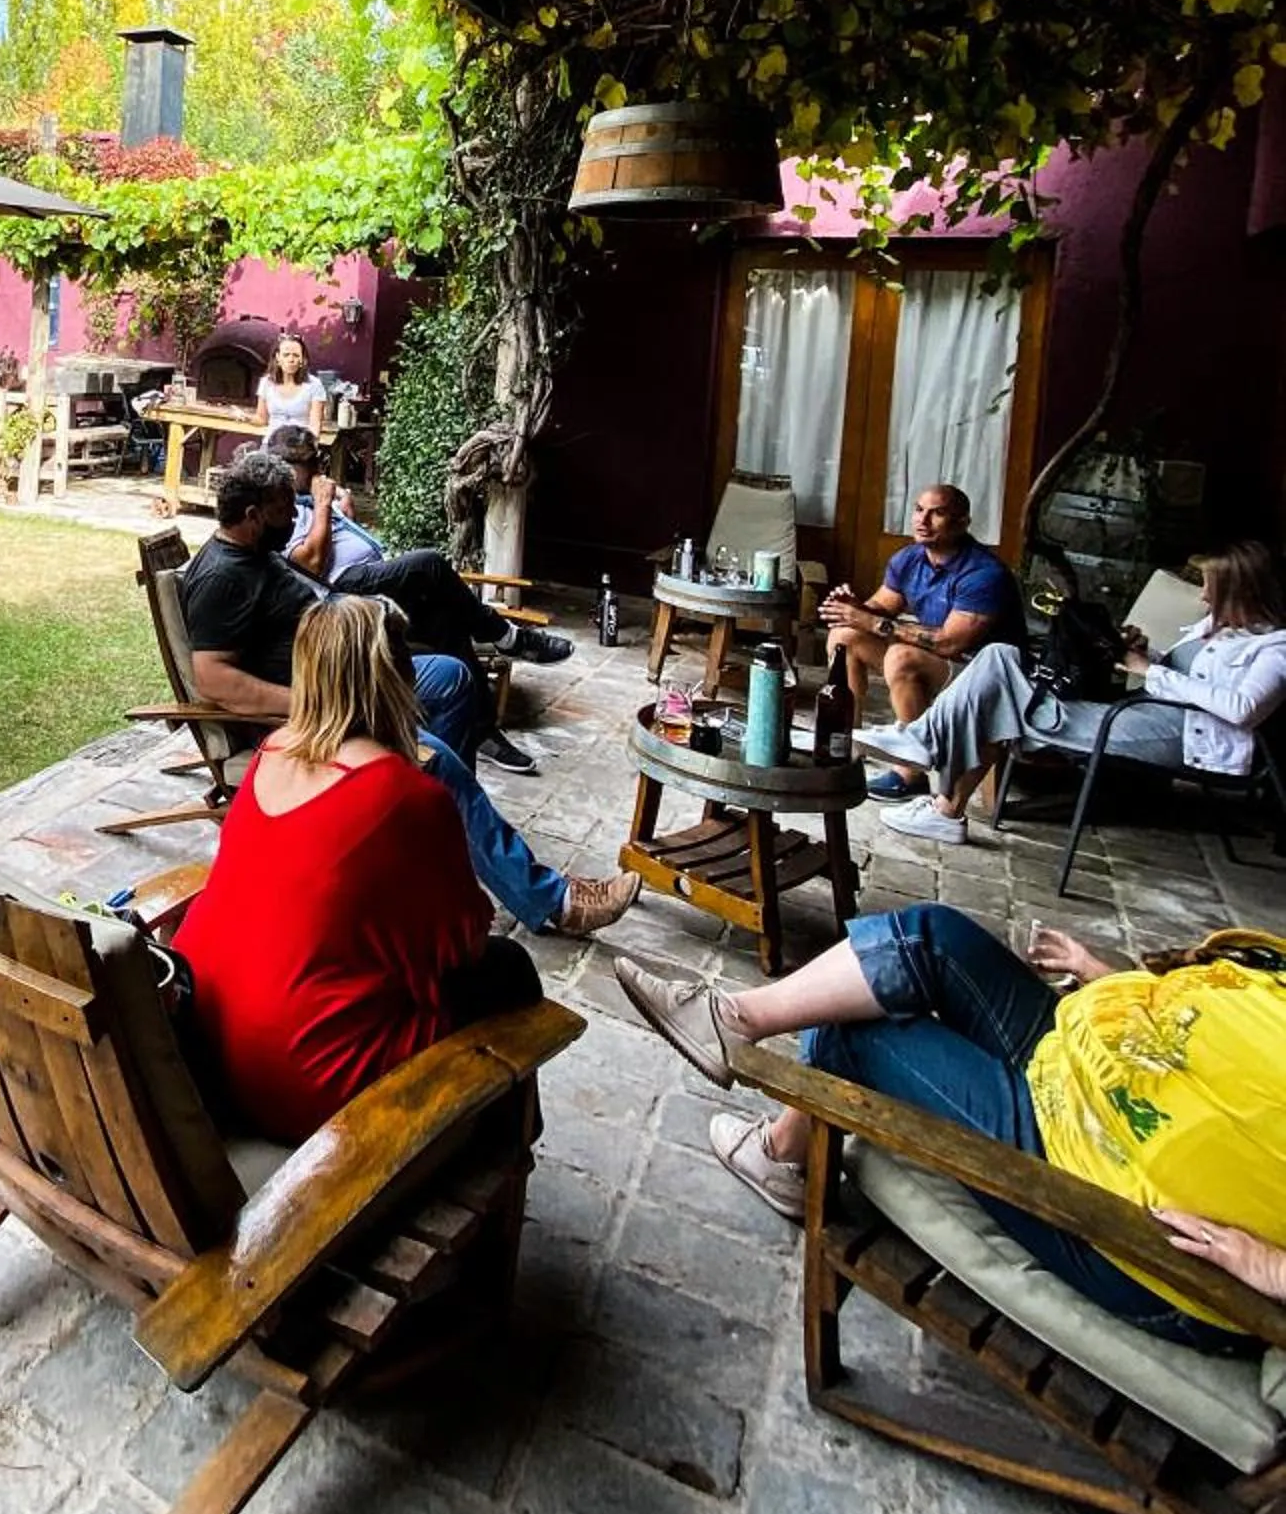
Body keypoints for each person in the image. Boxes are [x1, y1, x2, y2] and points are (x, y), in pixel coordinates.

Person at [615, 911, 1286, 1349]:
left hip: (1113, 1198)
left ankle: (776, 1146)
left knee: (854, 1031)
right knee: (932, 939)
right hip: (1099, 1066)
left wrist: (1272, 1269)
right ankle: (732, 1022)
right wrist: (1118, 984)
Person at [176, 451, 637, 936]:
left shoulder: (254, 554)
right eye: (283, 509)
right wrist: (320, 706)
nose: (294, 518)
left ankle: (436, 844)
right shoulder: (221, 578)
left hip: (354, 680)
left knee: (452, 676)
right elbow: (214, 679)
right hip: (322, 710)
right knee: (431, 757)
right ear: (251, 516)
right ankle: (552, 902)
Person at [173, 596, 540, 1138]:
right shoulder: (406, 795)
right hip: (301, 1082)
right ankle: (497, 1153)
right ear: (396, 677)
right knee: (507, 968)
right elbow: (460, 942)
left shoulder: (271, 751)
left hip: (209, 1044)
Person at [863, 537, 1286, 847]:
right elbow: (1185, 673)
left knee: (997, 687)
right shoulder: (1215, 628)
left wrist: (1148, 672)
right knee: (997, 660)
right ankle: (933, 777)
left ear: (1242, 592)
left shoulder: (1275, 649)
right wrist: (1145, 652)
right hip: (1145, 712)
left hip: (1183, 738)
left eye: (1212, 587)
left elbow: (1243, 709)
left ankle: (930, 770)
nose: (1204, 594)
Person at [271, 422, 573, 726]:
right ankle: (503, 635)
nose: (318, 468)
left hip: (366, 577)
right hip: (341, 591)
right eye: (310, 462)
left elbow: (337, 541)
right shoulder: (282, 505)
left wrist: (343, 512)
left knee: (445, 618)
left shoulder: (310, 496)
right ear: (286, 467)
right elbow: (311, 563)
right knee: (428, 562)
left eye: (317, 460)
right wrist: (323, 505)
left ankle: (482, 728)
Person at [822, 482, 1025, 792]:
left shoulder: (984, 574)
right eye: (919, 510)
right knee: (844, 635)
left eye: (937, 513)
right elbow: (881, 608)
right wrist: (854, 609)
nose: (922, 520)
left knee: (901, 657)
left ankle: (911, 772)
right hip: (944, 663)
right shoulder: (910, 558)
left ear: (961, 523)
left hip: (983, 675)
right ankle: (845, 743)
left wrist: (872, 621)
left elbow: (950, 642)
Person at [254, 333, 327, 444]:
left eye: (296, 355)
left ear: (302, 359)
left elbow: (315, 423)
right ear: (278, 357)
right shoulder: (266, 383)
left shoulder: (314, 385)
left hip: (300, 447)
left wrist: (310, 447)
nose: (291, 359)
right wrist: (242, 417)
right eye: (286, 355)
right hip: (272, 444)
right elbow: (262, 418)